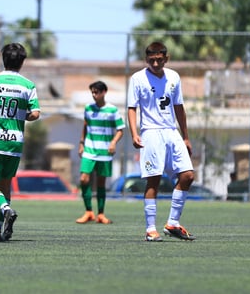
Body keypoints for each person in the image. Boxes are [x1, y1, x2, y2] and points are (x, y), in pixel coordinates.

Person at [127, 41, 196, 241]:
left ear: (166, 58)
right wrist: (134, 133)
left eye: (159, 60)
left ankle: (173, 223)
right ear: (146, 59)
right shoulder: (138, 78)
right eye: (151, 60)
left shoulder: (174, 77)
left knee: (188, 176)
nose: (155, 64)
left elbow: (179, 108)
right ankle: (150, 229)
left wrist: (186, 136)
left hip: (171, 131)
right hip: (150, 132)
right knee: (153, 180)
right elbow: (132, 107)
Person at [0, 42, 40, 242]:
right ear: (22, 62)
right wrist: (22, 117)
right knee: (6, 185)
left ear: (3, 59)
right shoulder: (28, 85)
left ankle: (5, 209)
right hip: (14, 142)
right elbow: (35, 114)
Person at [76, 81, 124, 224]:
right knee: (84, 179)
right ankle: (89, 211)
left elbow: (120, 130)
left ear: (104, 92)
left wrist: (113, 142)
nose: (94, 94)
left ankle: (101, 214)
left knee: (101, 183)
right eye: (92, 92)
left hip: (104, 152)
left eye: (96, 92)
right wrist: (81, 143)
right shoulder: (88, 108)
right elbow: (85, 125)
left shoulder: (112, 110)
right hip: (89, 150)